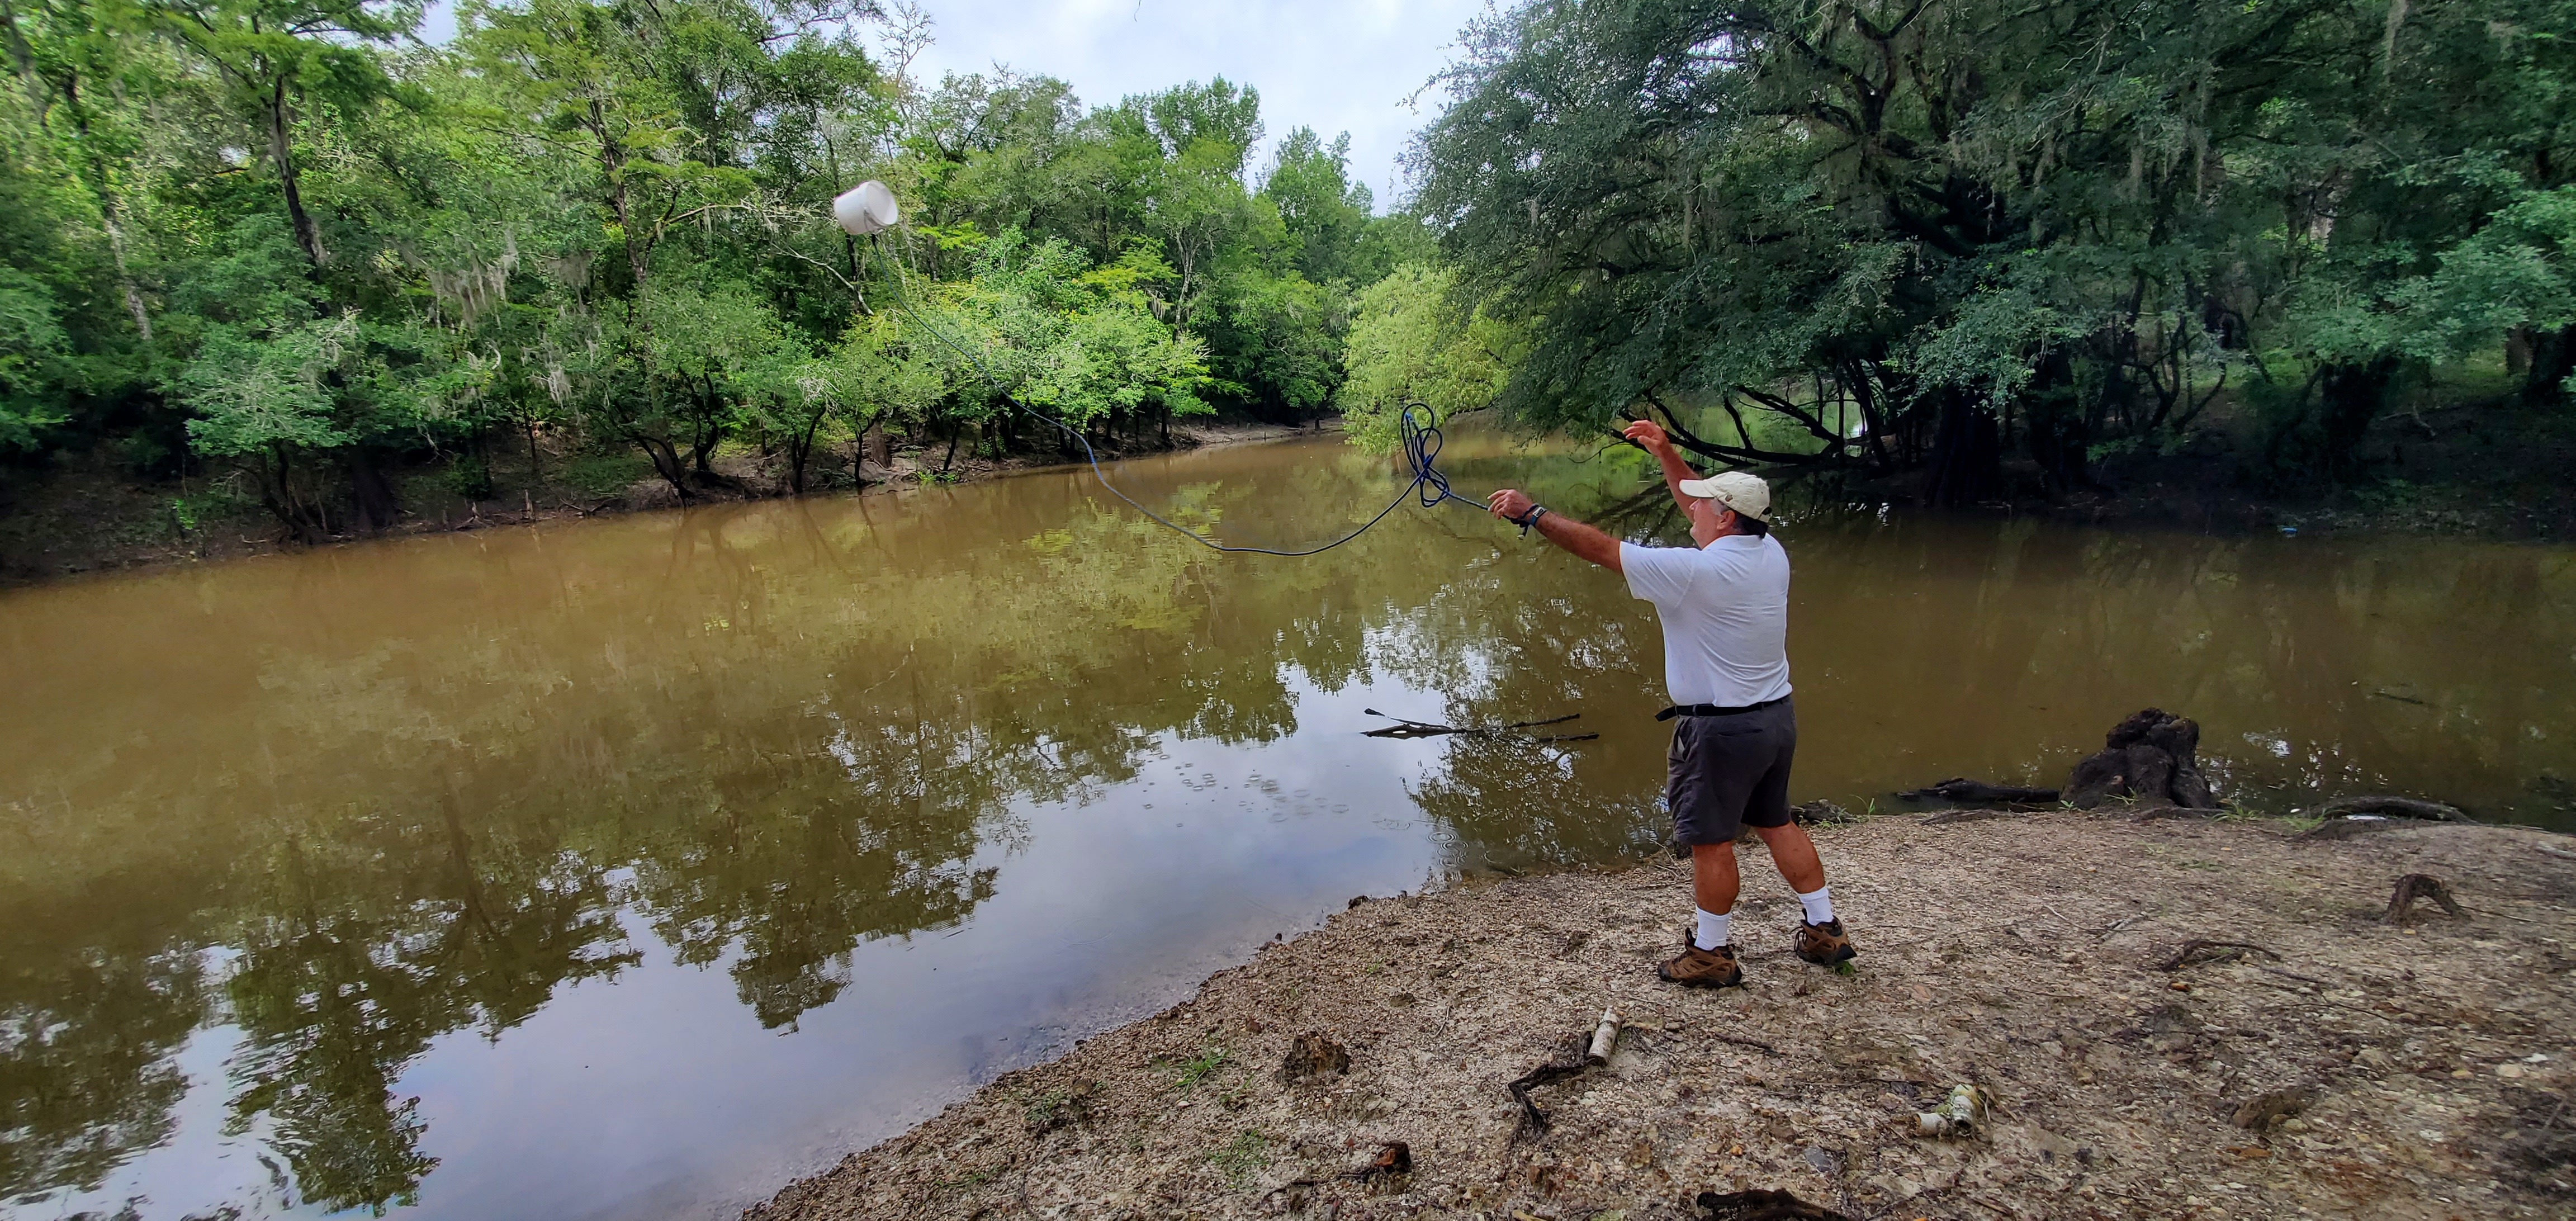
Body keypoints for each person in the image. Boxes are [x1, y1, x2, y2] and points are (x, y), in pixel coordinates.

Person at [1485, 419, 1856, 988]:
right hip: (1774, 718)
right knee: (1777, 822)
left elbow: (1600, 548)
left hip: (1721, 733)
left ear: (1726, 517)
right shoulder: (1768, 550)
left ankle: (1711, 954)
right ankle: (1825, 928)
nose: (1694, 509)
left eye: (1707, 505)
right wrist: (1666, 452)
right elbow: (1694, 504)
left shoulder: (1695, 573)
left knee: (1711, 841)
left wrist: (1532, 514)